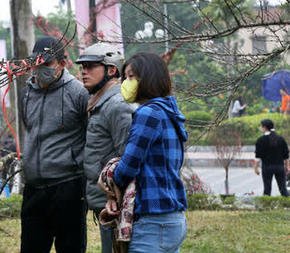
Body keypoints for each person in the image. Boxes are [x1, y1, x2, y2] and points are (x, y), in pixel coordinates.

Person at [105, 52, 187, 253]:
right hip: (174, 219)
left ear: (148, 78)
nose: (126, 82)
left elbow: (128, 166)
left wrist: (110, 172)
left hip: (152, 221)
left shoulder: (147, 113)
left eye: (131, 76)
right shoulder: (170, 112)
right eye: (125, 77)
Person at [20, 36, 90, 253]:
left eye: (47, 64)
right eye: (36, 63)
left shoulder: (79, 93)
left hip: (68, 186)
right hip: (33, 189)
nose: (40, 69)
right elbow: (28, 127)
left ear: (62, 63)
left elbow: (91, 136)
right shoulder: (27, 93)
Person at [76, 43, 134, 253]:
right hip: (105, 204)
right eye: (82, 66)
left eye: (91, 66)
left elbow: (128, 157)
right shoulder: (99, 103)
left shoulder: (117, 105)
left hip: (117, 205)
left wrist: (116, 197)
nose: (84, 71)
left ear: (111, 70)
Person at [254, 119, 290, 197]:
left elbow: (257, 157)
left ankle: (266, 207)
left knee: (267, 190)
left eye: (261, 126)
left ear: (264, 127)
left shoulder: (260, 140)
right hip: (279, 167)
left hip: (267, 168)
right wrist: (287, 166)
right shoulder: (280, 139)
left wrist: (256, 168)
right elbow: (286, 155)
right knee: (283, 190)